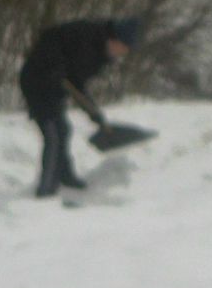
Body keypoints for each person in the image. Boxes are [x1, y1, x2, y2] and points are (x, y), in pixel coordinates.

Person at [19, 17, 140, 198]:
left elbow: (77, 84)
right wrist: (54, 64)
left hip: (57, 86)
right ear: (115, 40)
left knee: (63, 130)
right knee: (53, 133)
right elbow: (49, 36)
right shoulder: (87, 35)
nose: (122, 54)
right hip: (37, 79)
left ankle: (65, 176)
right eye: (122, 48)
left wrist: (95, 114)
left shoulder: (99, 56)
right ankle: (46, 187)